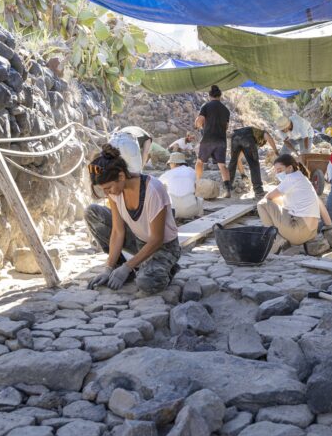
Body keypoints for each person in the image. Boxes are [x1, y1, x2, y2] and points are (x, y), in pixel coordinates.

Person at [85, 146, 181, 295]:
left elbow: (157, 239)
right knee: (92, 213)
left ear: (121, 176)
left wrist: (128, 266)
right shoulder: (115, 192)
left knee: (146, 283)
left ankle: (167, 268)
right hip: (139, 242)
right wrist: (108, 268)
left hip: (164, 247)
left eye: (108, 187)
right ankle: (122, 268)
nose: (107, 193)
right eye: (103, 189)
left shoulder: (153, 190)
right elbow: (118, 231)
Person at [258, 154, 332, 247]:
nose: (277, 174)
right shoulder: (303, 179)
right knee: (280, 200)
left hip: (298, 234)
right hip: (311, 233)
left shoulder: (291, 178)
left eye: (280, 170)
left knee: (261, 204)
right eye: (276, 171)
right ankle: (278, 236)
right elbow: (319, 203)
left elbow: (268, 197)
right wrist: (329, 225)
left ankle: (275, 240)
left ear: (289, 168)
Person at [194, 85, 232, 197]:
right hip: (221, 140)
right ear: (220, 96)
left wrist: (199, 125)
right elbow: (226, 127)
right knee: (222, 165)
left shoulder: (206, 106)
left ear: (209, 95)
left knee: (199, 162)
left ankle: (197, 184)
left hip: (208, 139)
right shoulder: (226, 110)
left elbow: (199, 121)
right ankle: (227, 190)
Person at [229, 126, 278, 199]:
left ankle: (227, 189)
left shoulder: (243, 145)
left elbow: (238, 160)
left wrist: (243, 174)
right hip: (247, 137)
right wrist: (276, 150)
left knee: (233, 162)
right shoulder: (261, 133)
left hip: (235, 136)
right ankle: (259, 191)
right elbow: (268, 137)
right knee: (254, 164)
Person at [159, 152, 203, 220]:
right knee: (198, 193)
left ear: (174, 163)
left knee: (163, 189)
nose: (170, 166)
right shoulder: (191, 171)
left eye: (170, 164)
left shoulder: (168, 174)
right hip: (192, 211)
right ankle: (198, 216)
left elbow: (157, 184)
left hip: (174, 212)